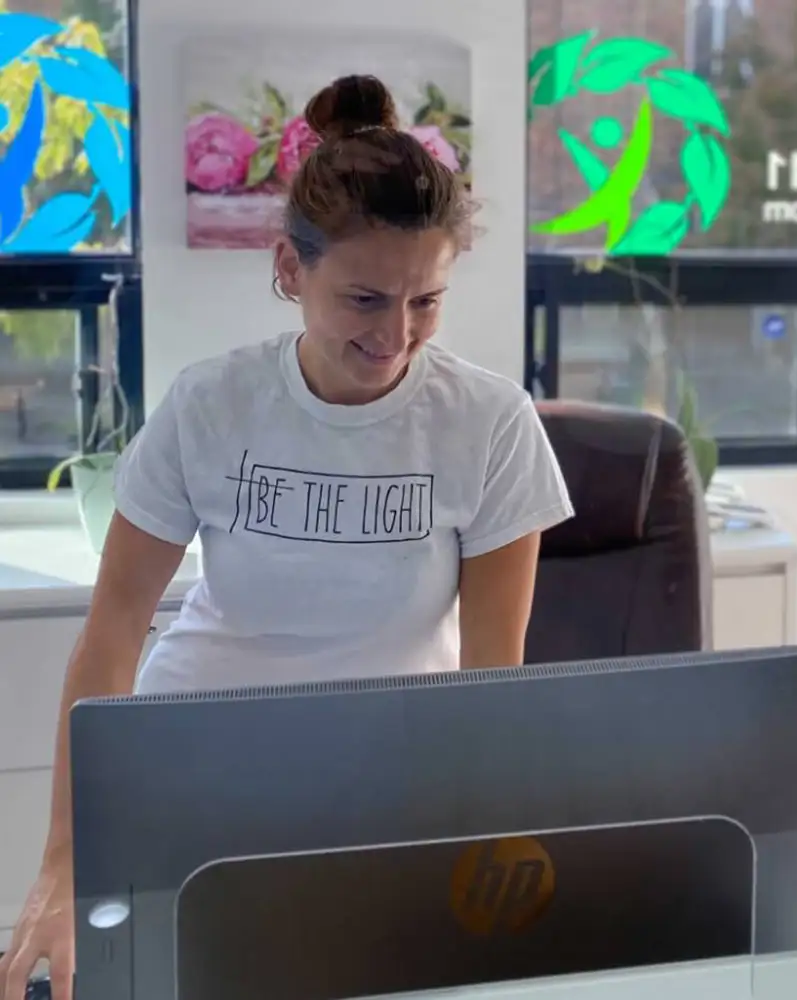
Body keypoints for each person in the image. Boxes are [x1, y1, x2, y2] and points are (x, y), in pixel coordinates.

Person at [0, 74, 573, 1000]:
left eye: (425, 300)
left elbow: (491, 680)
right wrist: (64, 860)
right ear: (287, 270)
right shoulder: (211, 403)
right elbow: (111, 633)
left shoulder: (490, 422)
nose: (397, 335)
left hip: (394, 784)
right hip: (195, 763)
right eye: (363, 300)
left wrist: (481, 856)